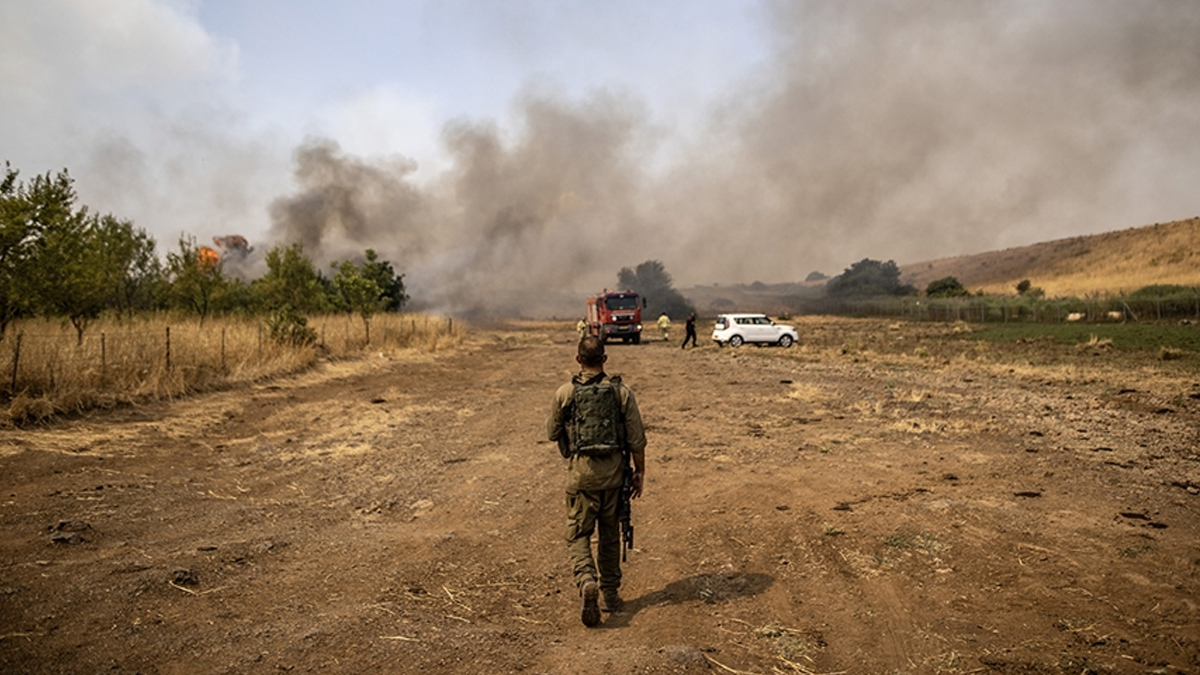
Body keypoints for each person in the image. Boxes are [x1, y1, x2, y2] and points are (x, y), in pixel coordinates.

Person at [546, 336, 646, 627]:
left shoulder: (565, 392)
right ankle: (611, 595)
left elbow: (552, 432)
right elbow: (637, 439)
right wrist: (639, 473)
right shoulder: (621, 393)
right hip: (615, 478)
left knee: (578, 534)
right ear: (605, 358)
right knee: (610, 535)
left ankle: (587, 579)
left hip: (581, 478)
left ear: (578, 360)